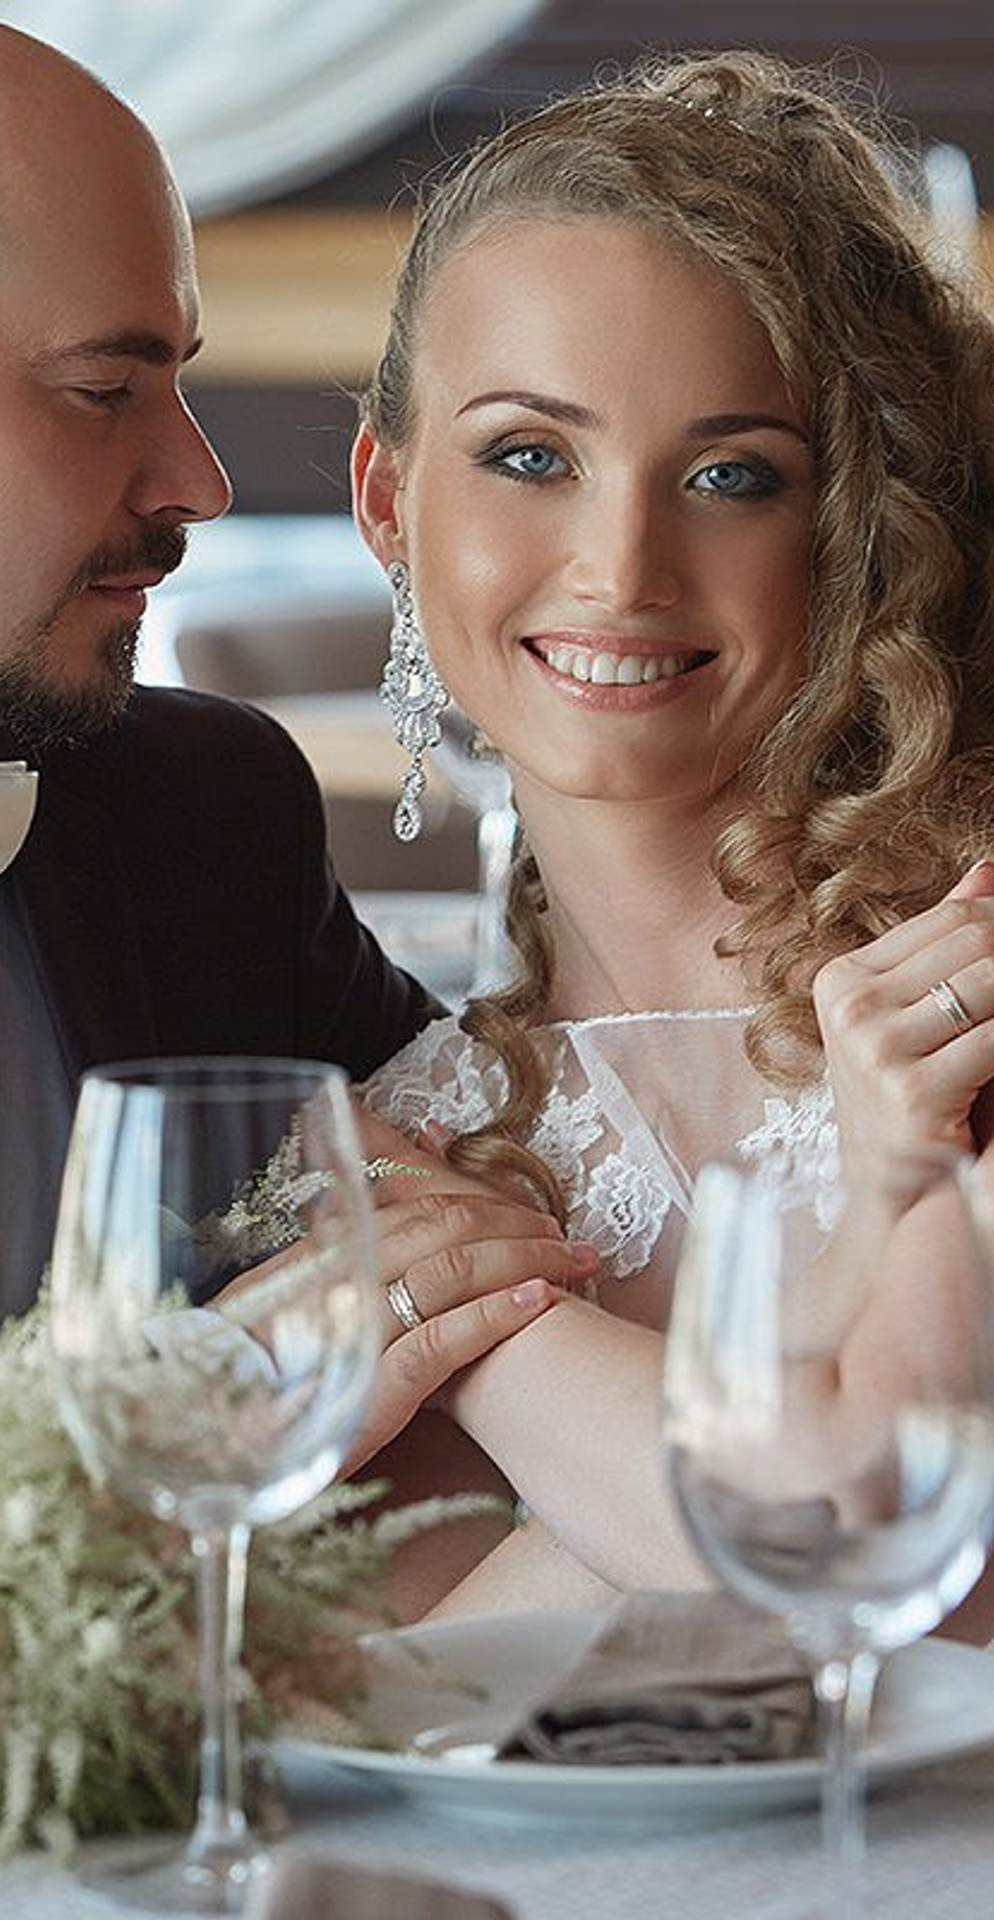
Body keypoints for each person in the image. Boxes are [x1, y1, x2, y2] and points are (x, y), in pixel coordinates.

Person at [0, 0, 589, 1589]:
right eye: (103, 389)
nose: (197, 478)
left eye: (177, 381)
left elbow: (486, 1208)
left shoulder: (205, 815)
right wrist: (145, 1434)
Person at [348, 47, 994, 1637]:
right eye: (528, 456)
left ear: (853, 533)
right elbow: (386, 1698)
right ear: (386, 504)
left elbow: (864, 1539)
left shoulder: (955, 998)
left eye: (729, 476)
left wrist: (484, 1332)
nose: (620, 563)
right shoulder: (419, 1135)